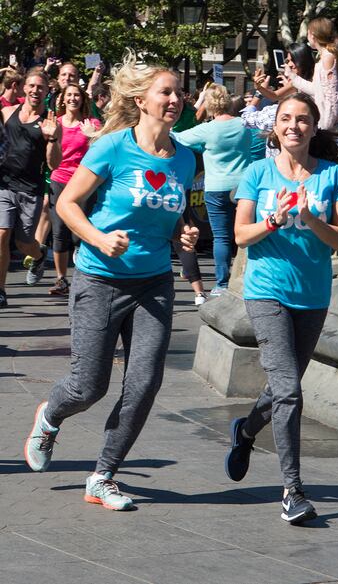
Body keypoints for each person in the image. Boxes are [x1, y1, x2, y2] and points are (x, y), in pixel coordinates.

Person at [24, 52, 199, 511]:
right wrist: (100, 239)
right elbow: (67, 205)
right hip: (99, 280)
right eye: (166, 91)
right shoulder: (113, 147)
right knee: (89, 385)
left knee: (144, 382)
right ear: (141, 100)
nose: (175, 99)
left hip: (154, 284)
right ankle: (50, 417)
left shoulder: (185, 158)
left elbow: (174, 211)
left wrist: (185, 230)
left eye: (179, 92)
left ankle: (103, 475)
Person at [225, 92, 338, 524]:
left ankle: (245, 431)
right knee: (291, 392)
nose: (293, 126)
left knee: (284, 388)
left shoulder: (332, 174)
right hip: (267, 292)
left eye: (302, 119)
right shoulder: (257, 173)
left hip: (313, 296)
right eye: (285, 119)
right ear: (274, 127)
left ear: (313, 128)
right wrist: (274, 221)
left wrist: (310, 217)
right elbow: (241, 236)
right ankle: (292, 490)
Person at [174, 84, 252, 296]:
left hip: (216, 187)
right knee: (245, 235)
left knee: (221, 237)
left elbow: (177, 138)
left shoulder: (207, 129)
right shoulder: (244, 124)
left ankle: (222, 284)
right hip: (242, 187)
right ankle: (247, 279)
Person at [0, 70, 62, 308]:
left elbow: (53, 164)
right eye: (32, 86)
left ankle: (38, 255)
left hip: (30, 189)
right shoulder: (7, 113)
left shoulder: (50, 122)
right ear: (23, 88)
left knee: (24, 243)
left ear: (47, 92)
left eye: (41, 88)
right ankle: (1, 290)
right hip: (4, 185)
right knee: (2, 234)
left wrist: (52, 139)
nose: (36, 91)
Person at [48, 83, 101, 295]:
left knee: (81, 232)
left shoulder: (92, 123)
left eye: (76, 95)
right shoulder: (56, 123)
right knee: (59, 231)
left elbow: (104, 147)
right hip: (59, 180)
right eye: (68, 95)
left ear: (82, 99)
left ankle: (84, 274)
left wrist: (92, 135)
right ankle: (61, 279)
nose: (72, 98)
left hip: (83, 182)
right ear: (62, 99)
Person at [285, 17, 338, 148]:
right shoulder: (327, 57)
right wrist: (293, 77)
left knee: (334, 160)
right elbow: (317, 90)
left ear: (313, 35)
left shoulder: (328, 58)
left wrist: (324, 128)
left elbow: (331, 97)